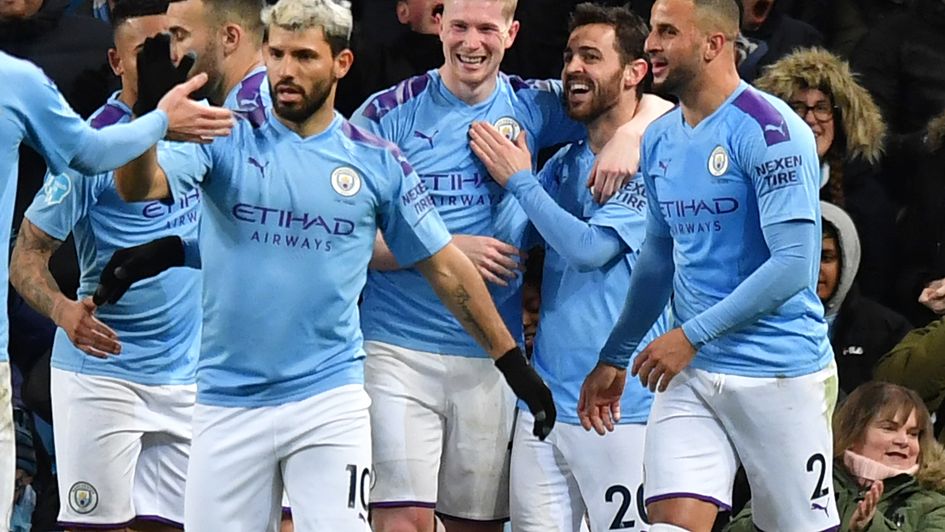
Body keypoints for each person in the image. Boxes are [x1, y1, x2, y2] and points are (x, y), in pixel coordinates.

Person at [107, 0, 555, 530]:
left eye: (304, 56)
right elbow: (137, 188)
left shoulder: (376, 160)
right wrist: (146, 124)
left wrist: (513, 366)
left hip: (328, 398)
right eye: (276, 54)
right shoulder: (223, 135)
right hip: (226, 398)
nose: (286, 71)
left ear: (341, 63)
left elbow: (446, 268)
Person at [348, 1, 669, 530]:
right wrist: (442, 249)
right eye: (458, 27)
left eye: (485, 29)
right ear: (438, 26)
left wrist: (634, 136)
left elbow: (639, 99)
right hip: (397, 348)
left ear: (511, 33)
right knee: (400, 519)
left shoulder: (536, 106)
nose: (471, 43)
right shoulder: (386, 113)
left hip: (494, 360)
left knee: (476, 524)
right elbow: (345, 235)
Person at [577, 0, 838, 530]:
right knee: (670, 524)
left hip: (779, 373)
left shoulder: (771, 131)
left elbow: (793, 266)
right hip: (692, 377)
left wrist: (691, 335)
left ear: (714, 44)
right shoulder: (659, 138)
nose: (650, 44)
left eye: (668, 32)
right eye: (652, 30)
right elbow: (657, 259)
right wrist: (616, 354)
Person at [0, 47, 230, 530]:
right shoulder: (91, 143)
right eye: (147, 56)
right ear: (116, 62)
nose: (164, 66)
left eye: (172, 49)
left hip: (189, 373)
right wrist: (62, 311)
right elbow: (27, 254)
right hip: (101, 375)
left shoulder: (215, 129)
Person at [468, 4, 671, 531]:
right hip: (545, 403)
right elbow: (512, 243)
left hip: (623, 407)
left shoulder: (658, 162)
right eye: (569, 56)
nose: (574, 68)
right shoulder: (563, 164)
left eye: (591, 56)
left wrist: (519, 180)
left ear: (633, 73)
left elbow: (589, 249)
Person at [753, 47, 897, 303]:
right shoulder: (753, 187)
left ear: (840, 119)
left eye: (822, 108)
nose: (810, 119)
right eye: (797, 107)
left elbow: (878, 283)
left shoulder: (866, 197)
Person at [727, 382, 945, 531]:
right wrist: (778, 513)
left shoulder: (932, 504)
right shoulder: (806, 479)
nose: (903, 441)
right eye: (889, 428)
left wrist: (869, 526)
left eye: (913, 434)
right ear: (853, 433)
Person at [815, 202, 911, 395]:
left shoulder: (888, 330)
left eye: (826, 258)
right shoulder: (763, 327)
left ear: (847, 261)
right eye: (806, 258)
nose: (815, 269)